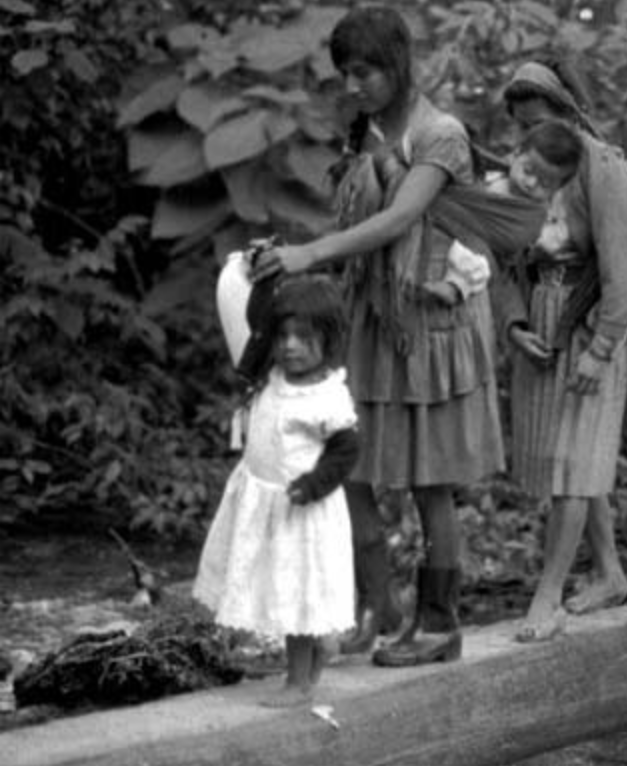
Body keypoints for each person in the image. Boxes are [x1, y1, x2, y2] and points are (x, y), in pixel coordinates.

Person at [252, 6, 515, 667]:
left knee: (430, 482)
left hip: (431, 328)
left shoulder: (440, 136)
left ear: (398, 65)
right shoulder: (366, 136)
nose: (353, 85)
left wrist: (309, 254)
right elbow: (356, 228)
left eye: (364, 71)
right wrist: (289, 259)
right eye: (345, 73)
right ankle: (378, 610)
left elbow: (400, 218)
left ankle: (439, 624)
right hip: (372, 319)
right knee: (355, 468)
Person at [494, 59, 627, 641]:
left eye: (535, 121)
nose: (526, 134)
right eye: (520, 124)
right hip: (542, 322)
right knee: (573, 461)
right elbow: (503, 255)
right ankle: (609, 573)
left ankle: (548, 597)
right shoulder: (527, 169)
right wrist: (513, 324)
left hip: (591, 323)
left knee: (573, 465)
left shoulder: (602, 168)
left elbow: (623, 268)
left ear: (567, 114)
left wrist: (600, 349)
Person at [195, 275, 359, 707]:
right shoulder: (269, 372)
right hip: (261, 503)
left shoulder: (327, 397)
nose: (289, 346)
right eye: (283, 336)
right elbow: (259, 323)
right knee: (274, 587)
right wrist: (266, 280)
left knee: (295, 597)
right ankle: (319, 651)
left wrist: (312, 485)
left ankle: (297, 682)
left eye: (303, 338)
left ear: (328, 340)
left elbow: (346, 451)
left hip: (301, 511)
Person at [422, 120, 583, 307]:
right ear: (516, 154)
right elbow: (463, 194)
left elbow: (515, 238)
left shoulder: (532, 214)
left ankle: (454, 289)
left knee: (477, 262)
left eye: (545, 184)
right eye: (528, 171)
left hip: (482, 255)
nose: (531, 183)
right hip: (440, 231)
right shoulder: (491, 175)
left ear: (558, 188)